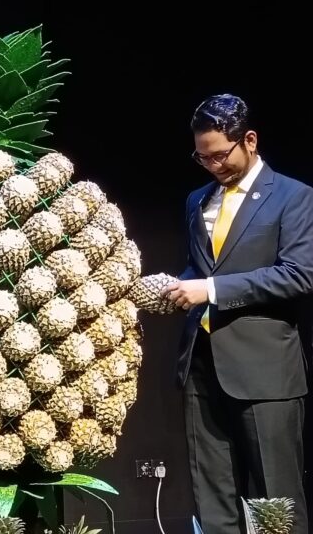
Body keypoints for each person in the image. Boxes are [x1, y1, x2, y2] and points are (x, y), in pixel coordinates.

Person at [162, 93, 313, 534]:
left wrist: (209, 290)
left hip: (265, 370)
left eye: (220, 155)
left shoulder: (294, 196)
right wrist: (172, 287)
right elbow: (201, 268)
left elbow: (298, 274)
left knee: (275, 500)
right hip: (202, 365)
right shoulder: (197, 200)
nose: (213, 166)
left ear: (249, 140)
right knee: (212, 497)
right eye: (202, 157)